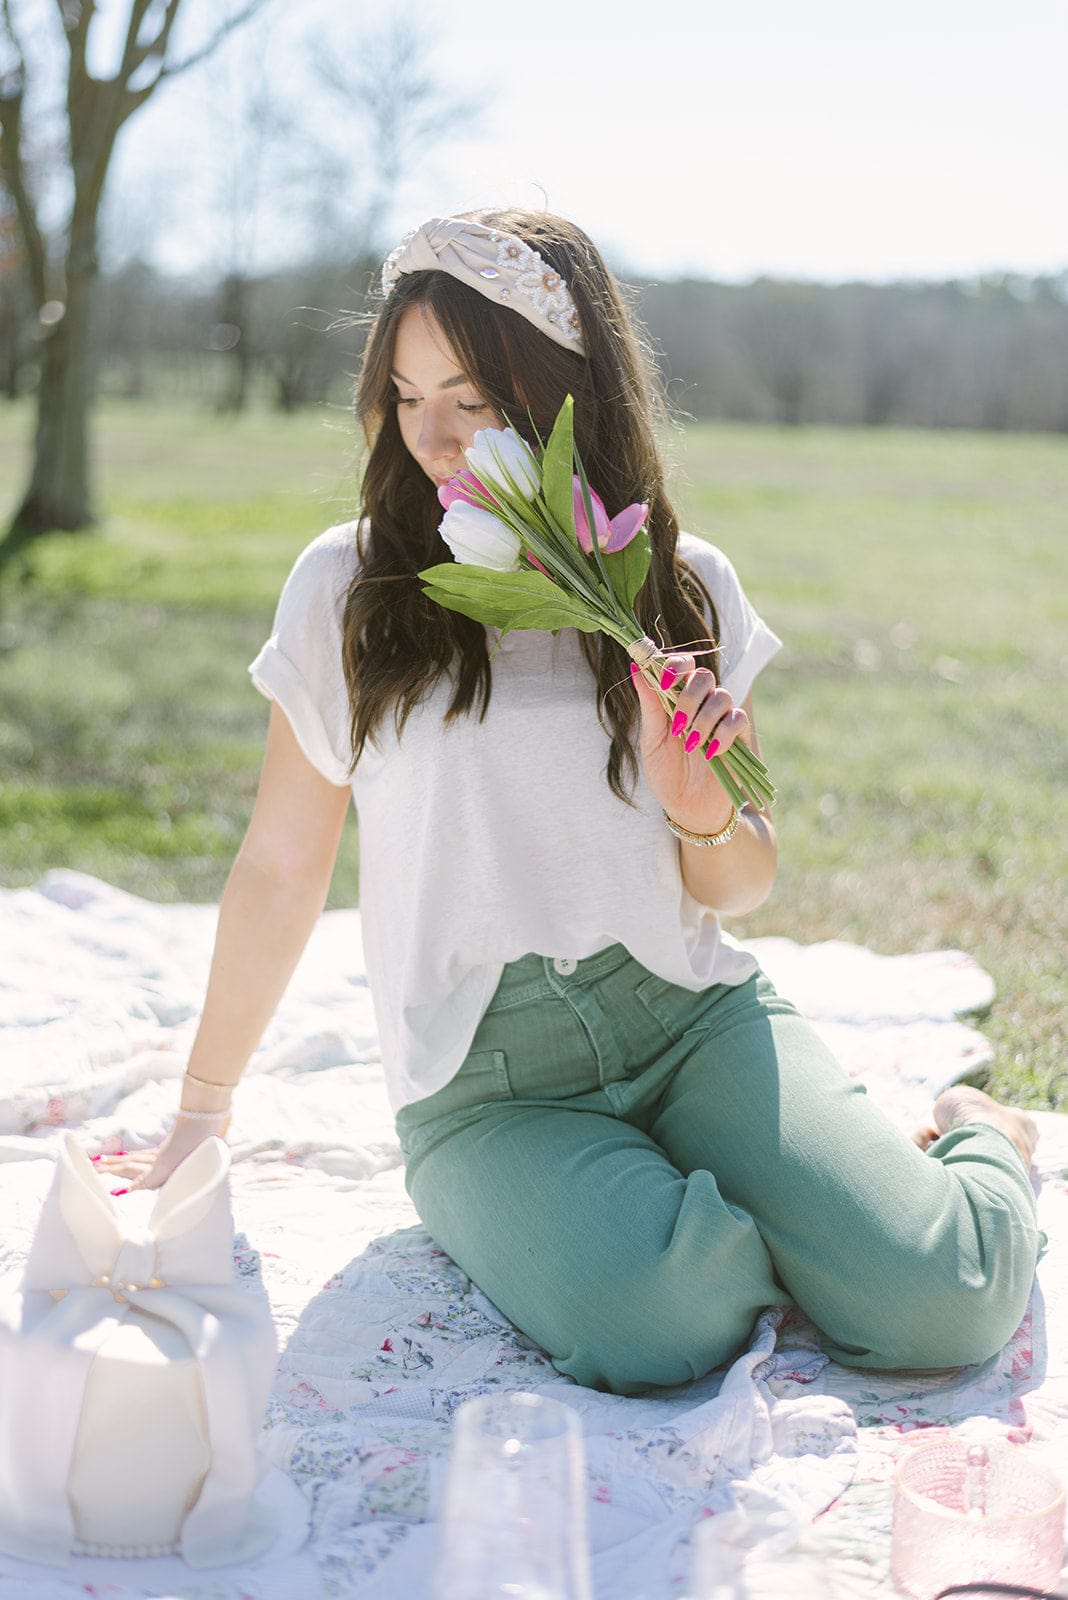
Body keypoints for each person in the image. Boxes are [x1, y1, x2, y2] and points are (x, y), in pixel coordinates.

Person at [99, 210, 1042, 1396]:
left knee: (944, 1296)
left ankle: (978, 1140)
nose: (431, 437)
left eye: (472, 401)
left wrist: (697, 805)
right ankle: (771, 1226)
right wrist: (202, 1108)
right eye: (404, 395)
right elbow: (283, 867)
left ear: (561, 396)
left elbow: (744, 878)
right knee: (663, 1323)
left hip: (689, 1017)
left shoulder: (680, 582)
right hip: (488, 1083)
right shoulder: (349, 588)